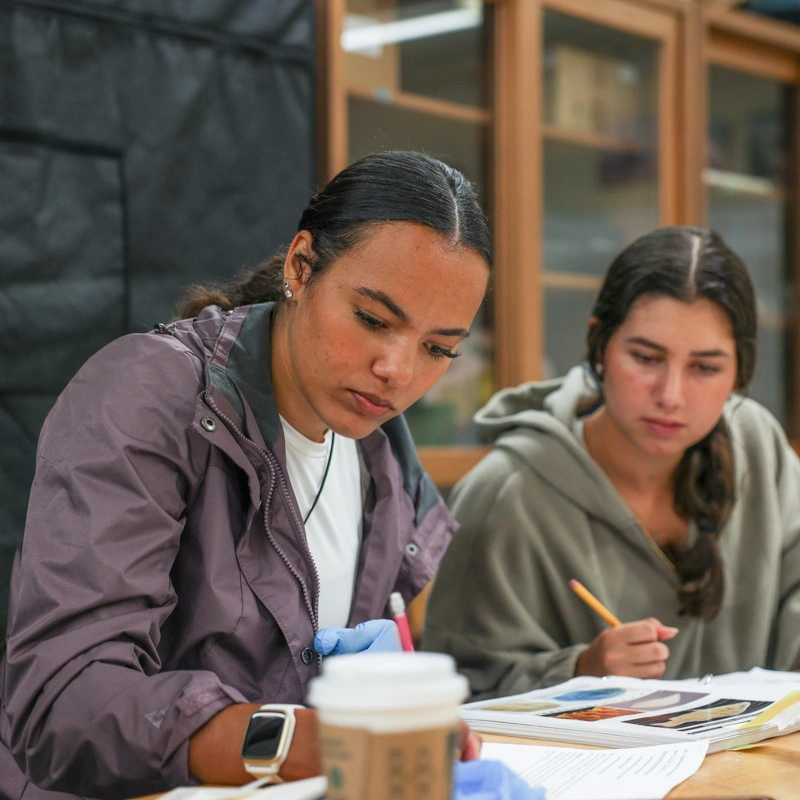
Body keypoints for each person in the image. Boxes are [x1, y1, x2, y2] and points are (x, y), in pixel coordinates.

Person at [0, 151, 493, 799]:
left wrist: (391, 706)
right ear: (300, 265)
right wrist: (285, 739)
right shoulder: (150, 394)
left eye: (438, 348)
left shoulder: (381, 450)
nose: (398, 370)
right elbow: (64, 702)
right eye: (373, 320)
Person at [422, 225, 800, 700]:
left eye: (705, 368)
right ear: (599, 345)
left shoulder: (757, 446)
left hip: (752, 771)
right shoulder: (508, 492)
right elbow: (455, 696)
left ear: (739, 374)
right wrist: (580, 672)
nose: (671, 395)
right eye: (646, 357)